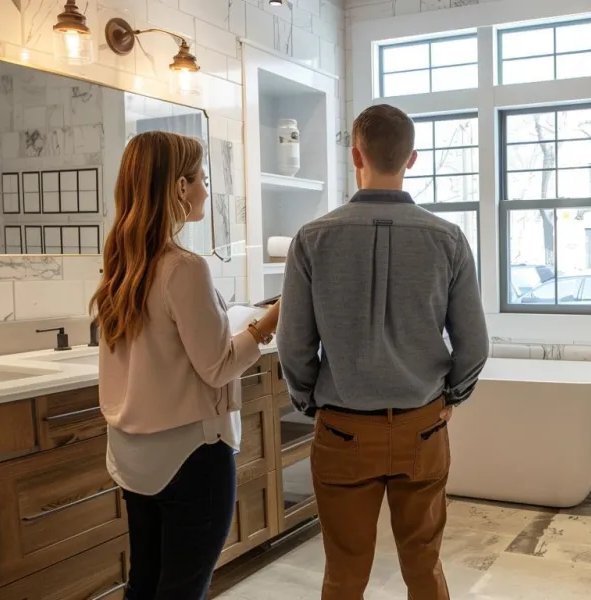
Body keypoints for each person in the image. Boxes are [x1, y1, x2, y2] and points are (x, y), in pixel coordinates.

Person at [277, 104, 490, 600]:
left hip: (343, 427)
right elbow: (475, 344)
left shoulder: (311, 239)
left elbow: (294, 344)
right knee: (425, 567)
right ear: (411, 158)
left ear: (356, 154)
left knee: (344, 573)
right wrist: (450, 398)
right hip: (422, 424)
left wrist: (309, 399)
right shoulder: (449, 239)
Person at [92, 131, 280, 600]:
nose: (206, 189)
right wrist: (269, 322)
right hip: (191, 458)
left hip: (135, 458)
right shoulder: (183, 267)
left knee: (146, 583)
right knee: (182, 589)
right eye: (201, 179)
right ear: (179, 188)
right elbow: (217, 368)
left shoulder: (121, 265)